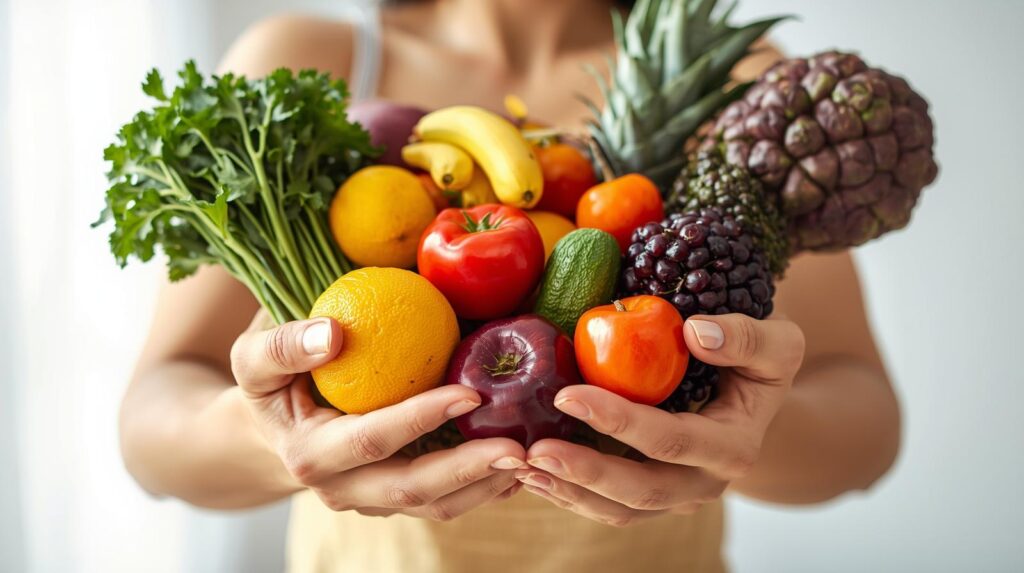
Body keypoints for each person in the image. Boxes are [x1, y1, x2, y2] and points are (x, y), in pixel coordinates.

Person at [119, 1, 901, 571]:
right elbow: (153, 421)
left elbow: (865, 416)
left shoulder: (736, 85)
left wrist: (736, 444)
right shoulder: (304, 58)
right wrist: (275, 443)